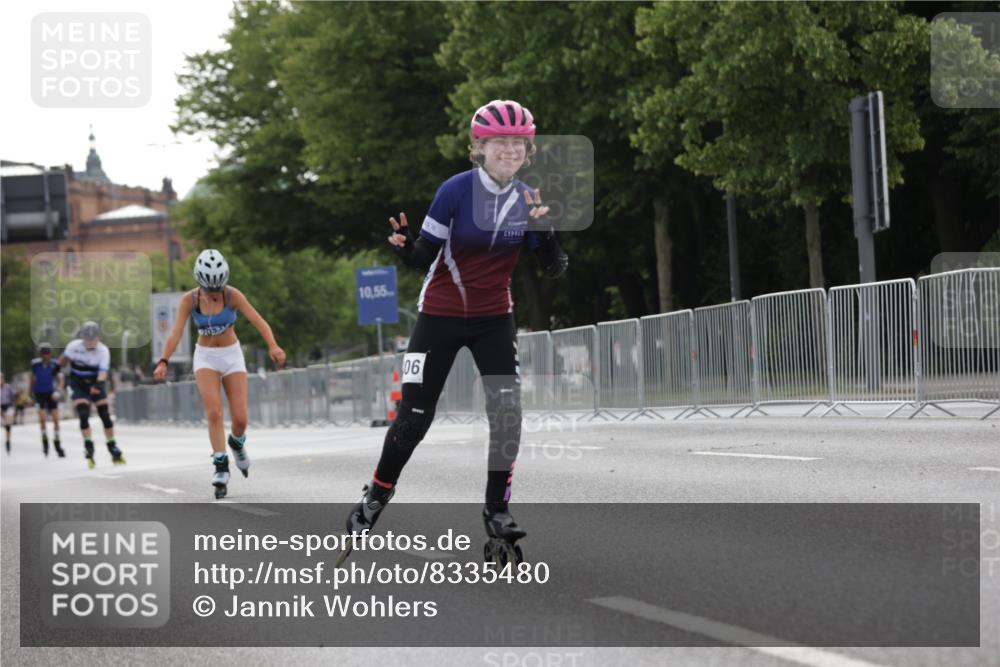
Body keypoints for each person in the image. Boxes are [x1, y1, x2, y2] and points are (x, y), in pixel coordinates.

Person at [343, 99, 568, 564]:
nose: (509, 150)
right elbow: (426, 258)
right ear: (479, 147)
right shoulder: (455, 191)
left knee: (508, 415)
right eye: (499, 143)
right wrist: (406, 249)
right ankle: (376, 496)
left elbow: (555, 269)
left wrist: (547, 234)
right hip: (439, 316)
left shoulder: (529, 198)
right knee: (413, 419)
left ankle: (497, 512)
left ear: (528, 151)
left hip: (493, 319)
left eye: (519, 143)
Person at [154, 249, 286, 499]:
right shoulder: (189, 300)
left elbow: (258, 321)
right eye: (209, 289)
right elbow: (176, 333)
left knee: (240, 419)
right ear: (199, 282)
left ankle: (236, 443)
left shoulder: (233, 295)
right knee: (214, 412)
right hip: (205, 357)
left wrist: (273, 345)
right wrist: (164, 360)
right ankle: (220, 465)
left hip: (231, 355)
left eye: (218, 288)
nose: (215, 294)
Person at [58, 322, 124, 468]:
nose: (89, 344)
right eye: (86, 340)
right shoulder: (74, 346)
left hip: (96, 382)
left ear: (98, 338)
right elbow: (61, 360)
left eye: (92, 340)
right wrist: (57, 368)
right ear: (82, 338)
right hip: (78, 384)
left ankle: (111, 444)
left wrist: (97, 386)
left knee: (105, 414)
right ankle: (88, 444)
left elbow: (102, 373)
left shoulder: (103, 350)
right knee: (83, 413)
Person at [31, 342, 65, 457]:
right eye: (43, 353)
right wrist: (29, 392)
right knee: (42, 419)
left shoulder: (55, 364)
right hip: (39, 393)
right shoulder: (35, 364)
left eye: (47, 353)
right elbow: (33, 378)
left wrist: (58, 390)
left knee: (56, 419)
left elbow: (60, 378)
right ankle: (45, 440)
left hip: (51, 393)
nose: (45, 355)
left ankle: (57, 441)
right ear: (40, 354)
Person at [1, 373, 14, 454]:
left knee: (8, 424)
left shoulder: (7, 387)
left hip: (8, 405)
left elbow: (12, 396)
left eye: (1, 378)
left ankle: (8, 441)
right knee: (5, 422)